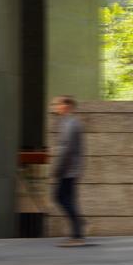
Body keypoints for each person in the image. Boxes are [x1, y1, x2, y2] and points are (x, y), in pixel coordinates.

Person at [50, 95, 86, 246]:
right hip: (71, 168)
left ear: (66, 106)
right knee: (68, 200)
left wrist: (57, 169)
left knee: (59, 197)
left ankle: (77, 230)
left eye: (56, 104)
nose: (54, 107)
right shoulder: (68, 122)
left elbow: (66, 149)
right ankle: (77, 231)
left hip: (68, 169)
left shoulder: (70, 124)